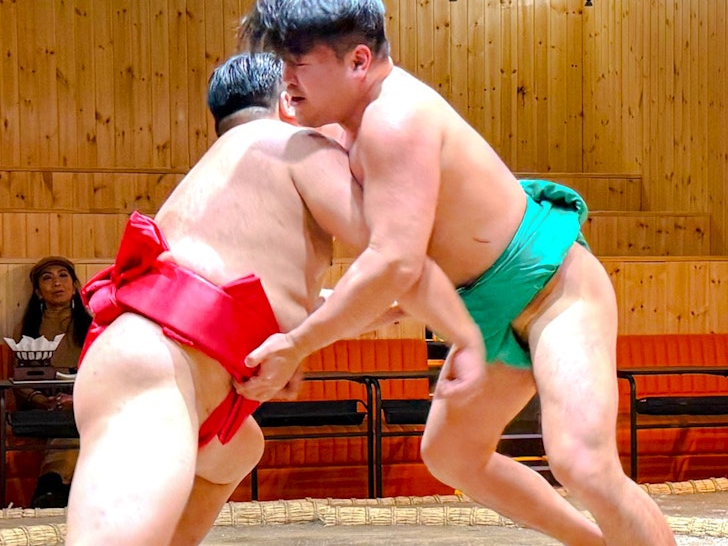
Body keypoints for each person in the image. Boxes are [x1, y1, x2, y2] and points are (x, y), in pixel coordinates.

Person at [238, 0, 676, 546]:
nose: (286, 79)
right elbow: (403, 277)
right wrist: (307, 325)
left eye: (300, 62)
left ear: (358, 61)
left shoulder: (395, 118)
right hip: (479, 312)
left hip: (553, 291)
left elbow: (393, 263)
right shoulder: (342, 131)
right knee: (452, 455)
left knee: (584, 463)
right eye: (282, 62)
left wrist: (301, 342)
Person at [65, 52, 485, 546]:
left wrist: (399, 307)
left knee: (241, 449)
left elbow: (338, 300)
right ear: (291, 100)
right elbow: (396, 257)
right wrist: (468, 316)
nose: (347, 133)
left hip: (186, 387)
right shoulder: (295, 145)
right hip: (156, 366)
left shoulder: (236, 179)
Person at [12, 256, 90, 508]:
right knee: (64, 424)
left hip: (85, 402)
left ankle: (51, 486)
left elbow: (107, 374)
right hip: (44, 404)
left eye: (63, 276)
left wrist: (77, 400)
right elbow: (18, 379)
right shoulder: (27, 328)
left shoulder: (94, 324)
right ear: (38, 292)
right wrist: (41, 400)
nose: (57, 283)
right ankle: (55, 491)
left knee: (74, 421)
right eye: (48, 278)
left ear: (75, 284)